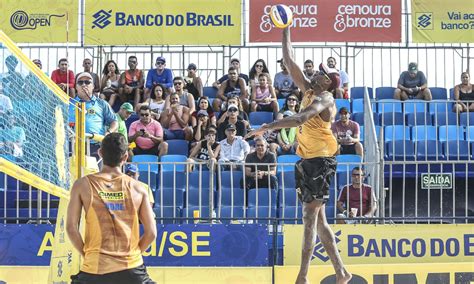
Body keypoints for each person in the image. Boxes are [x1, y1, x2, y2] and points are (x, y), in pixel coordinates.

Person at [246, 27, 351, 284]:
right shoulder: (308, 88)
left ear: (330, 82)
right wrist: (285, 29)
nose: (316, 72)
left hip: (321, 159)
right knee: (319, 220)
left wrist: (269, 126)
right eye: (317, 70)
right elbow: (289, 59)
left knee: (308, 217)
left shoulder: (325, 97)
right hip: (307, 159)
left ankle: (302, 277)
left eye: (322, 73)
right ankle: (341, 273)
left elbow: (302, 117)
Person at [66, 133, 156, 284]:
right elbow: (151, 233)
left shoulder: (81, 185)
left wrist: (87, 255)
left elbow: (70, 228)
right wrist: (131, 255)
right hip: (131, 267)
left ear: (100, 153)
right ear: (125, 157)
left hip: (95, 267)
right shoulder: (139, 188)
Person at [75, 72, 118, 159]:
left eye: (87, 82)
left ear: (93, 86)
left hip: (95, 146)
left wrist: (108, 132)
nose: (84, 85)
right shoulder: (69, 103)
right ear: (76, 87)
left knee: (96, 172)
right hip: (72, 145)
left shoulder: (102, 103)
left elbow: (114, 122)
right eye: (80, 82)